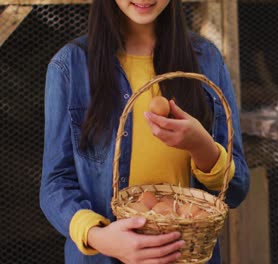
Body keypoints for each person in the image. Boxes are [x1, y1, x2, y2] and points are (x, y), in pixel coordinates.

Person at [39, 0, 250, 263]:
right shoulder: (70, 66)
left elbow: (237, 189)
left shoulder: (205, 59)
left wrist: (201, 146)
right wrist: (99, 236)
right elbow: (54, 184)